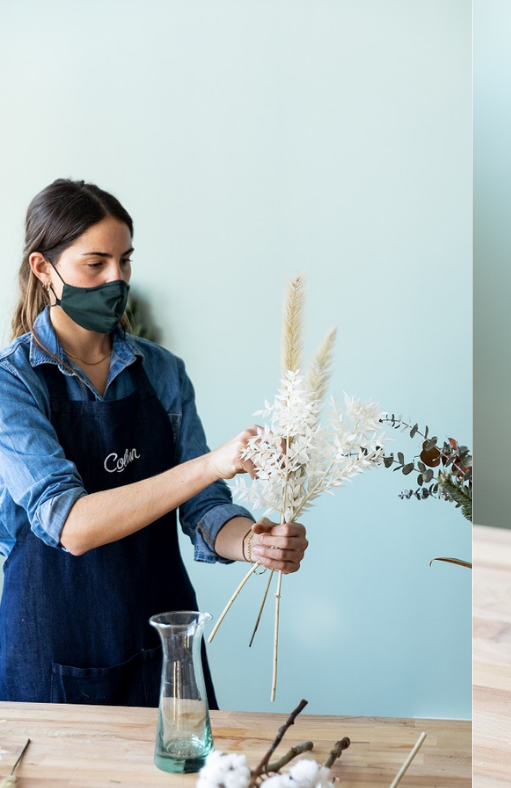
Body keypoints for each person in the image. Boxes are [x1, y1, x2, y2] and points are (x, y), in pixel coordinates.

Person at [0, 178, 309, 706]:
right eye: (95, 264)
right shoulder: (14, 383)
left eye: (125, 261)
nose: (115, 279)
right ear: (43, 269)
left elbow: (205, 509)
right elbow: (70, 525)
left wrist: (253, 543)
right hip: (51, 644)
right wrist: (214, 464)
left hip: (161, 637)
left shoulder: (161, 371)